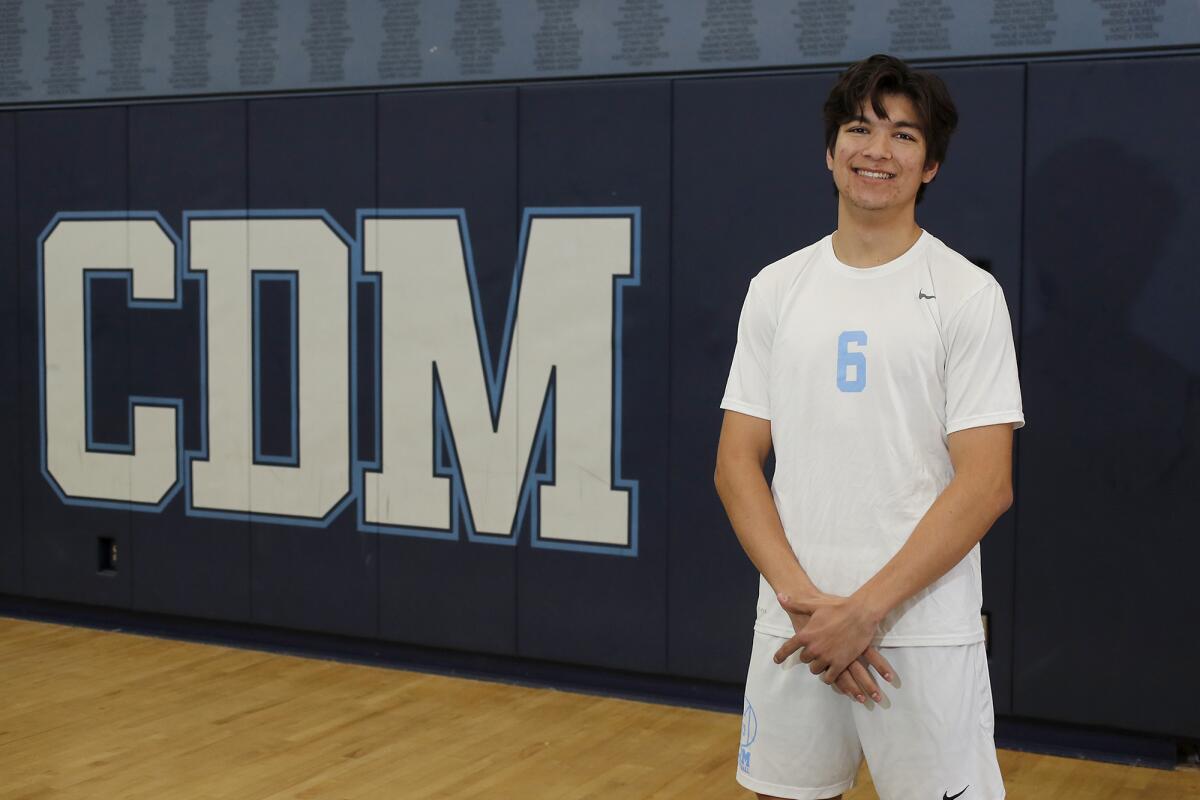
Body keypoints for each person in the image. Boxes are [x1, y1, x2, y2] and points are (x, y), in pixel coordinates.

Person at [714, 53, 1023, 800]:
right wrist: (810, 608)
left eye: (903, 136)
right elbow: (735, 464)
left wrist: (865, 612)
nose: (877, 151)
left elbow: (988, 485)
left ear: (932, 165)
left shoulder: (966, 294)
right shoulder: (777, 288)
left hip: (920, 636)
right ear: (830, 153)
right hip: (798, 629)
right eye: (859, 128)